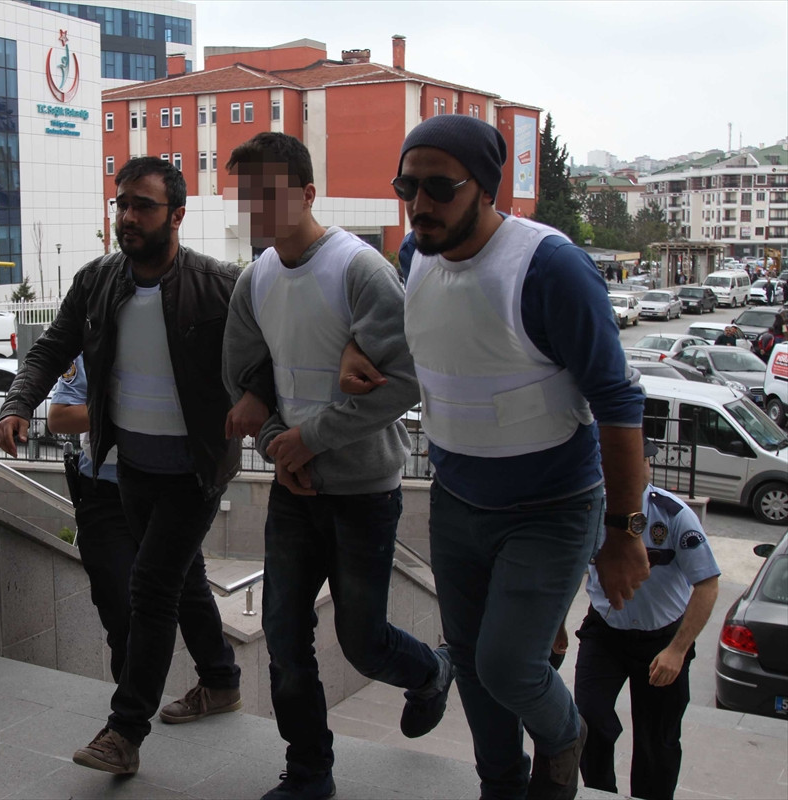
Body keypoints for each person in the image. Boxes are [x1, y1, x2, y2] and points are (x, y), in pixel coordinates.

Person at [339, 115, 649, 800]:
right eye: (406, 187)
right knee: (474, 667)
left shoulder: (551, 268)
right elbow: (425, 336)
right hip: (458, 502)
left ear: (485, 187)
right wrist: (358, 347)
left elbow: (619, 403)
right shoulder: (415, 256)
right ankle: (500, 786)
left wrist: (625, 533)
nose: (419, 204)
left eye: (439, 188)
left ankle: (564, 737)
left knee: (509, 666)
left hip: (552, 508)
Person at [0, 156, 264, 776]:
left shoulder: (219, 284)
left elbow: (270, 350)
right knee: (181, 578)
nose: (128, 217)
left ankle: (124, 731)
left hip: (195, 471)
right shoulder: (98, 281)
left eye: (143, 205)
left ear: (177, 214)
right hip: (133, 468)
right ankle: (221, 681)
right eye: (122, 205)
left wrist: (260, 399)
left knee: (151, 589)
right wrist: (18, 404)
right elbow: (52, 348)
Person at [222, 132, 451, 800]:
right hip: (294, 489)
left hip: (363, 491)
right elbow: (241, 376)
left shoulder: (359, 269)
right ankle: (310, 771)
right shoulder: (256, 278)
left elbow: (407, 378)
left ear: (307, 193)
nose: (257, 208)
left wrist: (309, 439)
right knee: (284, 636)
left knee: (363, 641)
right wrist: (277, 444)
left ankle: (432, 672)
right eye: (246, 195)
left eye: (269, 193)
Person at [50, 355, 236, 720]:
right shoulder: (95, 347)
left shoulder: (175, 342)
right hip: (105, 492)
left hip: (168, 484)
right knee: (121, 605)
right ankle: (130, 715)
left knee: (188, 587)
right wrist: (125, 411)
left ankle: (220, 680)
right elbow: (58, 418)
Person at [574, 439, 720, 800]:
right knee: (589, 719)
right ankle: (601, 794)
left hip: (662, 640)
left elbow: (707, 584)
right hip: (605, 634)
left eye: (641, 460)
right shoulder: (591, 510)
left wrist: (677, 650)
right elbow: (567, 568)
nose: (638, 467)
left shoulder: (673, 515)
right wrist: (555, 627)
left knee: (658, 742)